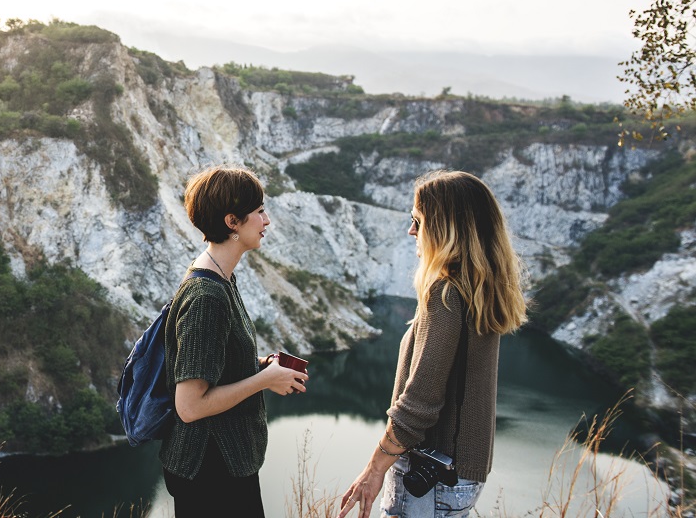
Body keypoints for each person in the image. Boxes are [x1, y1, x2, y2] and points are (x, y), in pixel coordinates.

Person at [338, 170, 527, 518]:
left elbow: (420, 402)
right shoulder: (479, 289)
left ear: (445, 228)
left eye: (418, 221)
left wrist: (375, 466)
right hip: (461, 473)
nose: (412, 230)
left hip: (429, 475)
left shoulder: (445, 293)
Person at [160, 164, 309, 518]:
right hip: (210, 470)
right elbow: (190, 406)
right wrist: (264, 380)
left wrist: (261, 368)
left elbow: (214, 369)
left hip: (223, 464)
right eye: (259, 212)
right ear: (232, 222)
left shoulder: (221, 279)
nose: (266, 220)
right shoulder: (207, 295)